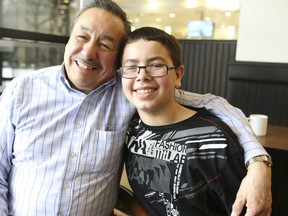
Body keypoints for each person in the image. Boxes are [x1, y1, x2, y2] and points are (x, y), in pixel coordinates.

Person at [0, 0, 271, 215]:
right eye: (82, 37)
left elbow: (213, 103)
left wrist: (259, 163)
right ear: (69, 39)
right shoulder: (22, 90)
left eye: (105, 44)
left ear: (116, 60)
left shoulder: (130, 89)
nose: (89, 52)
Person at [118, 26, 258, 215]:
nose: (142, 75)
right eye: (131, 67)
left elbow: (250, 209)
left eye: (156, 65)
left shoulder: (215, 142)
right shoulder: (130, 126)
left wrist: (260, 164)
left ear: (178, 75)